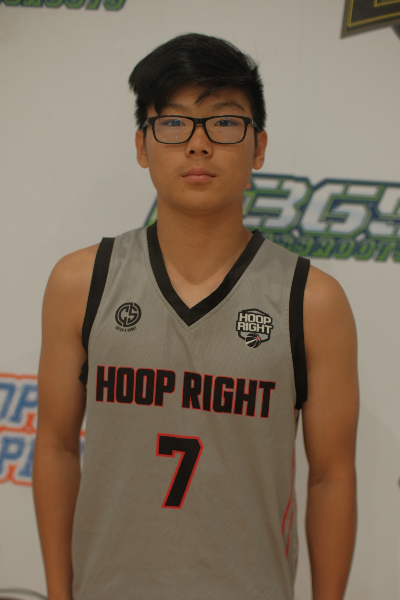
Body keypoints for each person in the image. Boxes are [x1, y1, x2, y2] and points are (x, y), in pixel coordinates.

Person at [33, 33, 359, 600]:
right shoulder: (82, 282)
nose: (199, 144)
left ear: (258, 147)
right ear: (143, 144)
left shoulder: (312, 300)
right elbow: (57, 444)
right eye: (175, 123)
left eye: (224, 122)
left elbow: (332, 475)